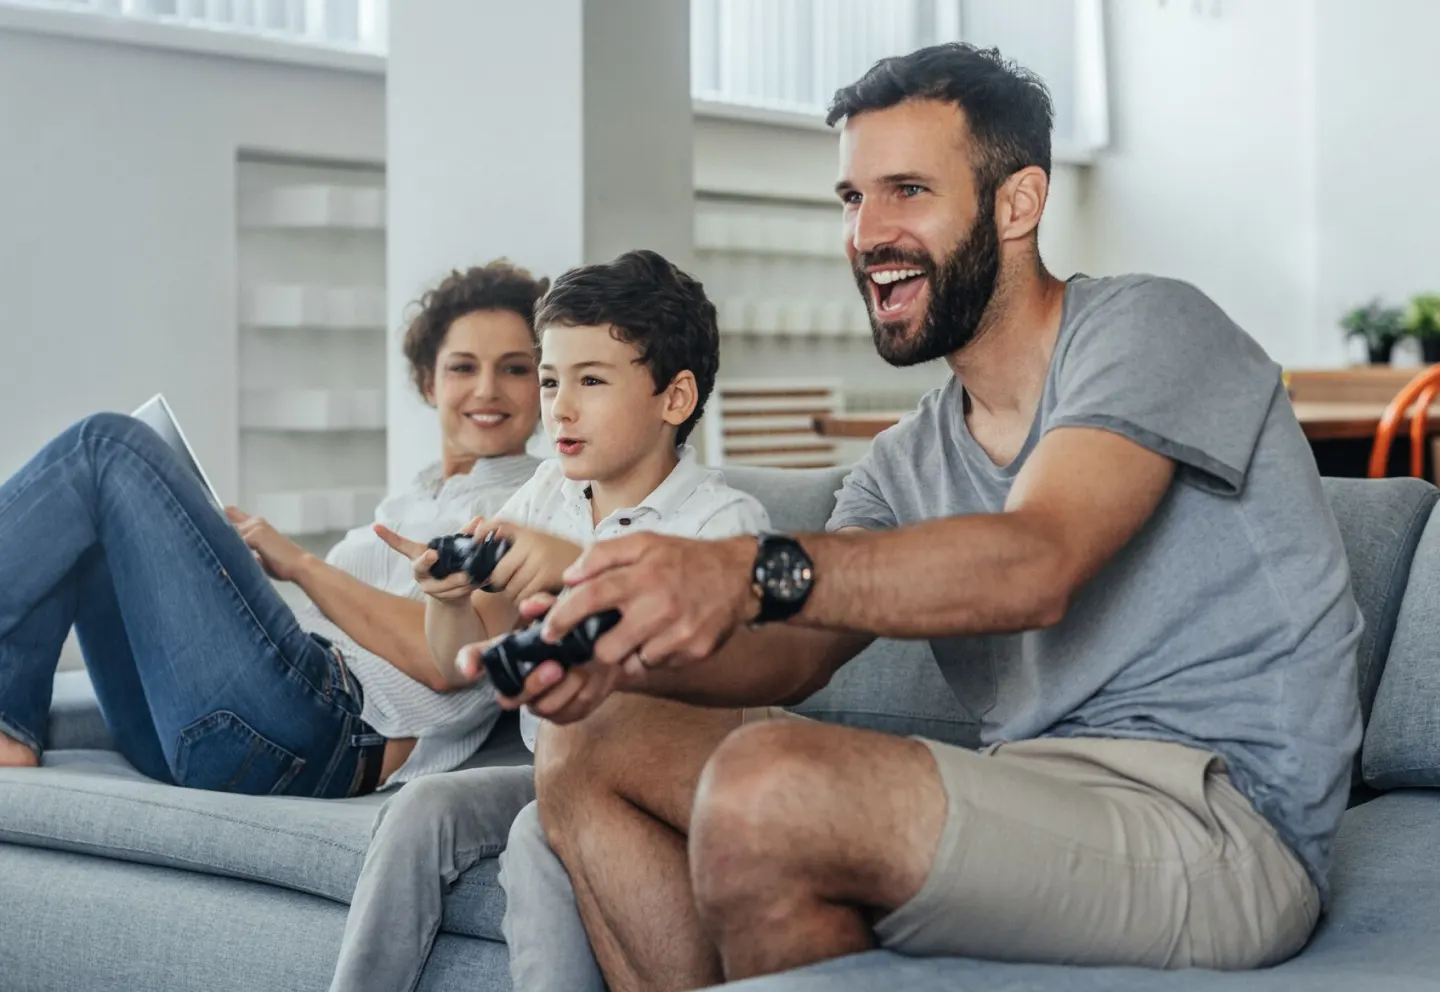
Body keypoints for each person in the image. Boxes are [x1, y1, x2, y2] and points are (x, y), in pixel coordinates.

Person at [487, 43, 1363, 990]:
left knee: (766, 783)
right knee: (588, 742)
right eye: (852, 199)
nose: (868, 234)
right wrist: (617, 643)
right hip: (1033, 796)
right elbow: (793, 652)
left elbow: (1035, 562)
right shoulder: (908, 459)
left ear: (1017, 203)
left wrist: (738, 570)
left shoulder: (1150, 328)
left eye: (907, 190)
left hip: (1222, 825)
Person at [325, 249, 770, 992]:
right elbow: (463, 655)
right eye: (554, 379)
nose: (558, 407)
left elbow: (707, 689)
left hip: (656, 783)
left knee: (539, 836)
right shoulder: (547, 493)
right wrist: (450, 599)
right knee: (425, 807)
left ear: (675, 397)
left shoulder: (722, 525)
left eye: (591, 382)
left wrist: (574, 567)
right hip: (546, 770)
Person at [0, 260, 549, 797]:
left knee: (107, 446)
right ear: (429, 382)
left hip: (323, 731)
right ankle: (9, 723)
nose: (487, 390)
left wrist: (301, 565)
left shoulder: (534, 510)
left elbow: (451, 664)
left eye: (515, 368)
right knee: (92, 524)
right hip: (192, 725)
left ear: (544, 386)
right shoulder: (409, 499)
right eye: (463, 367)